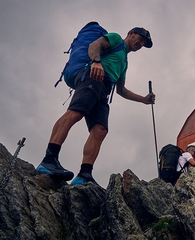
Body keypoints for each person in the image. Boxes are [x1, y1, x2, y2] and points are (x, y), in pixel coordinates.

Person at [36, 26, 155, 185]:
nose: (140, 44)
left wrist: (144, 100)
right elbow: (94, 46)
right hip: (92, 77)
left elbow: (121, 90)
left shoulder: (124, 63)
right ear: (131, 34)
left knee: (100, 130)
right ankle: (49, 159)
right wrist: (96, 62)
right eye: (140, 39)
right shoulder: (116, 39)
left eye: (143, 43)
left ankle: (85, 174)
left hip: (104, 90)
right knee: (75, 113)